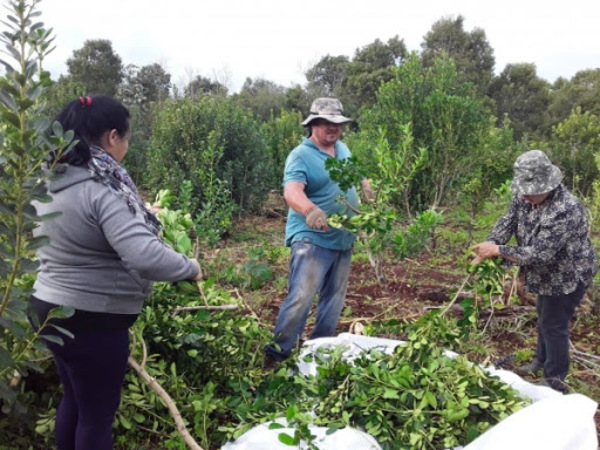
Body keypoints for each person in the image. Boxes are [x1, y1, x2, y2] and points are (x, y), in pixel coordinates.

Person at [28, 95, 203, 450]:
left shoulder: (50, 181)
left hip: (48, 307)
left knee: (75, 402)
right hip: (92, 317)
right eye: (126, 137)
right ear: (111, 137)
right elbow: (146, 257)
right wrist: (190, 267)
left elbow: (84, 229)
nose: (125, 145)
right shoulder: (102, 188)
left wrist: (138, 213)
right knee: (96, 417)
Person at [471, 149, 597, 393]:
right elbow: (507, 221)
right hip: (546, 271)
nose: (524, 196)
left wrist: (497, 250)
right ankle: (541, 360)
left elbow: (540, 253)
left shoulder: (565, 209)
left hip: (569, 273)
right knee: (544, 314)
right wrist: (489, 245)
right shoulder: (525, 196)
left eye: (530, 191)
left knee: (554, 323)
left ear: (547, 186)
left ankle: (555, 379)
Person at [264, 97, 372, 366]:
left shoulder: (343, 149)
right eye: (325, 122)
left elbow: (356, 172)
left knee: (333, 303)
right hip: (312, 240)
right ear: (312, 125)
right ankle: (277, 356)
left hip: (342, 240)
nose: (331, 128)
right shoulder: (301, 155)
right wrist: (310, 210)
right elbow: (291, 192)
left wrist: (366, 185)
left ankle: (317, 352)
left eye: (336, 123)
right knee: (301, 298)